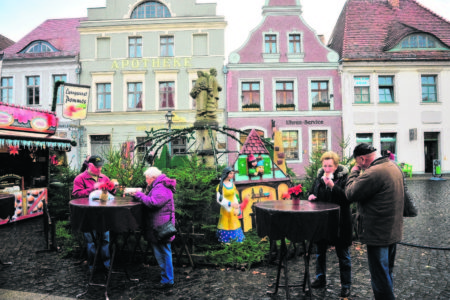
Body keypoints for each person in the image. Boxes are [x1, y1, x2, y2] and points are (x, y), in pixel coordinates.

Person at [345, 143, 404, 300]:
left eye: (358, 163)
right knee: (386, 272)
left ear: (363, 159)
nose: (359, 166)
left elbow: (350, 193)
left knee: (379, 277)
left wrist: (353, 173)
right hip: (392, 230)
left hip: (378, 233)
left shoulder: (374, 172)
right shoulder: (393, 166)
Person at [307, 151, 352, 298]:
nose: (327, 169)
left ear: (336, 165)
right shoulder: (320, 178)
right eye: (325, 165)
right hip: (322, 222)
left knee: (343, 255)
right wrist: (311, 195)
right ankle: (320, 278)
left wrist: (333, 186)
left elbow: (347, 198)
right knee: (320, 252)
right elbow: (313, 191)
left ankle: (346, 285)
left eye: (330, 166)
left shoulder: (345, 178)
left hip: (340, 222)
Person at [132, 167, 176, 289]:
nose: (146, 181)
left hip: (161, 227)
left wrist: (139, 195)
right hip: (157, 225)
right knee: (159, 252)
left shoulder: (161, 187)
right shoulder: (159, 186)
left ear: (153, 178)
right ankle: (165, 277)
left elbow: (154, 203)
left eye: (147, 178)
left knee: (164, 252)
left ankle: (168, 280)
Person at [72, 155, 116, 271]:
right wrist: (93, 188)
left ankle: (106, 265)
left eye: (101, 166)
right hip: (88, 215)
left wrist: (112, 187)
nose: (100, 169)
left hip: (103, 215)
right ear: (89, 166)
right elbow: (76, 195)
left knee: (105, 240)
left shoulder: (104, 177)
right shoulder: (80, 178)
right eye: (97, 167)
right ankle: (93, 266)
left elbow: (111, 193)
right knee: (90, 241)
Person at [216, 167, 245, 243]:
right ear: (226, 174)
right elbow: (219, 199)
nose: (232, 175)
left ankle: (236, 241)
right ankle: (226, 241)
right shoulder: (220, 186)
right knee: (226, 223)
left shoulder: (232, 184)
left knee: (234, 223)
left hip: (233, 208)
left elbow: (234, 195)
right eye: (230, 173)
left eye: (233, 173)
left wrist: (237, 205)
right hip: (226, 209)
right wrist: (229, 203)